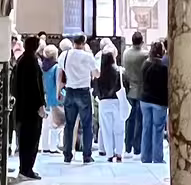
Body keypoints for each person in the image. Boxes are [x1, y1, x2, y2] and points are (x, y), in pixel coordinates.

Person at [60, 31, 97, 164]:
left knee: (69, 125)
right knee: (87, 125)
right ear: (84, 42)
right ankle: (86, 155)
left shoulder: (64, 55)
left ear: (73, 42)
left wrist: (59, 90)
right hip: (83, 92)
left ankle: (67, 155)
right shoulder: (88, 57)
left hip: (70, 91)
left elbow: (61, 72)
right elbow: (96, 74)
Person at [12, 33, 45, 180]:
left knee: (24, 140)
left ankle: (24, 168)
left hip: (21, 107)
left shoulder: (21, 59)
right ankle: (27, 169)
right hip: (31, 109)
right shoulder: (32, 61)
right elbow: (35, 86)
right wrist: (40, 105)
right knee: (31, 140)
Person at [94, 45, 127, 161]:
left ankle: (109, 154)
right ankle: (119, 153)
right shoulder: (120, 71)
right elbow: (125, 85)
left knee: (106, 129)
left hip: (103, 102)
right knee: (119, 129)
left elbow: (96, 88)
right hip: (117, 101)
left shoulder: (99, 73)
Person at [139, 40, 169, 164]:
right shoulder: (163, 67)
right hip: (158, 102)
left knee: (146, 128)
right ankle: (157, 158)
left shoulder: (145, 64)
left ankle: (145, 157)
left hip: (145, 100)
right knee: (158, 130)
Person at [121, 29, 146, 156]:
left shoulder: (126, 53)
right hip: (141, 89)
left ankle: (128, 145)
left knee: (129, 119)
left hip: (129, 88)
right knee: (139, 120)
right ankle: (137, 147)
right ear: (142, 42)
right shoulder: (144, 55)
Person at [41, 40, 62, 153]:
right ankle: (53, 147)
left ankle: (44, 146)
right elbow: (58, 82)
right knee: (55, 123)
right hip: (54, 96)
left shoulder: (42, 67)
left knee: (45, 123)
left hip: (44, 96)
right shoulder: (56, 67)